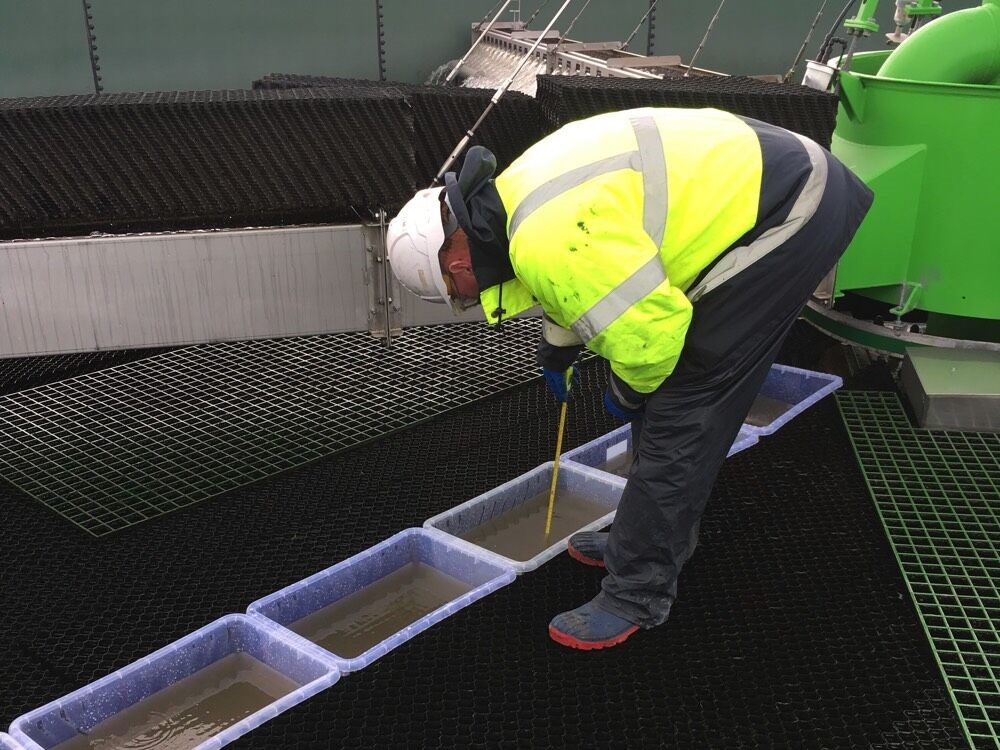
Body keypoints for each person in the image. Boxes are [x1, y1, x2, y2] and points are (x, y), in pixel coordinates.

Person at [386, 107, 873, 650]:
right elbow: (576, 275)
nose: (470, 300)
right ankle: (646, 533)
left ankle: (636, 592)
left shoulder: (545, 236)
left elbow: (651, 340)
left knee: (685, 404)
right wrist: (559, 347)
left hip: (792, 208)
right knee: (667, 401)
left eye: (460, 296)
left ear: (453, 267)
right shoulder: (511, 199)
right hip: (766, 187)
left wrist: (626, 393)